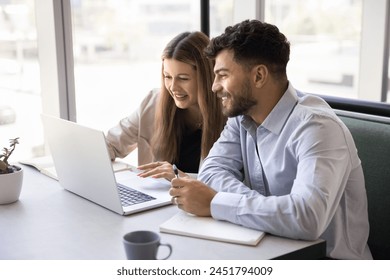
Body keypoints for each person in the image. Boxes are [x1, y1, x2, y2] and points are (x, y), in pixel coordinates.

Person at [169, 20, 372, 260]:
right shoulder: (241, 117)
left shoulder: (317, 127)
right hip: (268, 250)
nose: (214, 87)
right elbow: (211, 172)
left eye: (222, 75)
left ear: (259, 76)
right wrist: (273, 210)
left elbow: (306, 218)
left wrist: (216, 202)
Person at [106, 31, 226, 181]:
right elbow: (111, 144)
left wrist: (179, 176)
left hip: (200, 203)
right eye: (167, 77)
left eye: (183, 78)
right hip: (158, 200)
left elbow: (229, 184)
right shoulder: (153, 102)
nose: (173, 87)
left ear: (206, 78)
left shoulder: (230, 116)